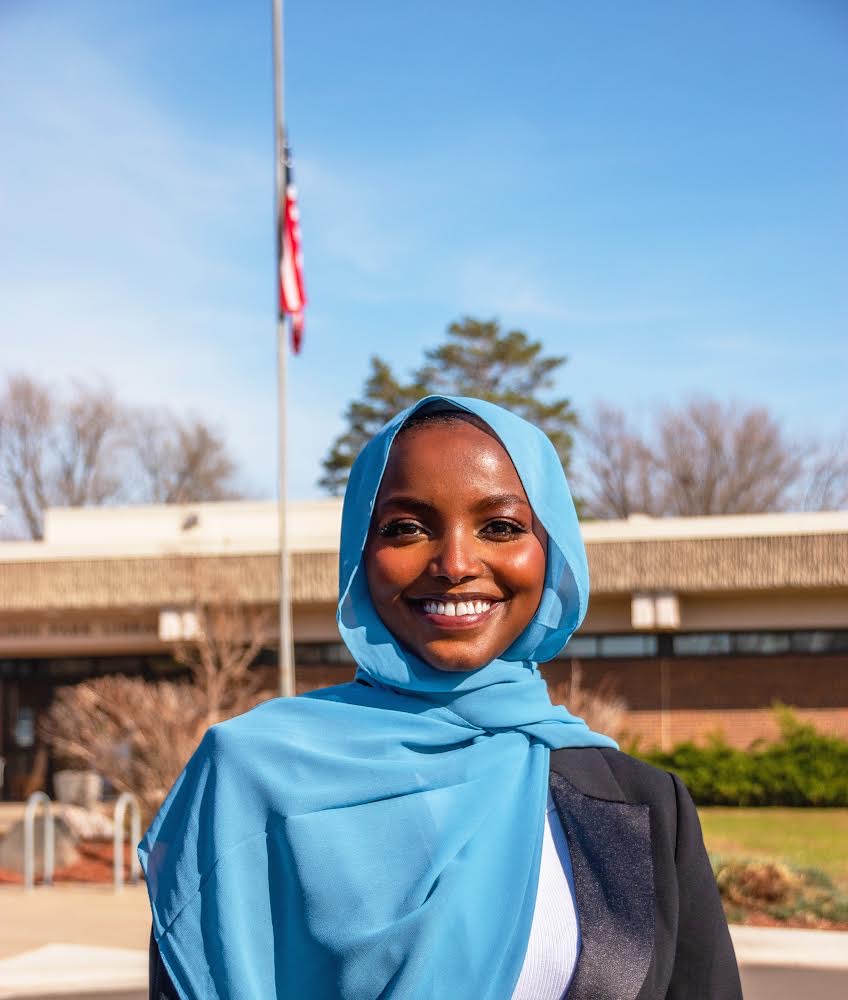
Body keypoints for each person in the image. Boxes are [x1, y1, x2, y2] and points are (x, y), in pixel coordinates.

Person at [142, 395, 741, 999]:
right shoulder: (248, 777)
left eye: (501, 526)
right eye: (407, 527)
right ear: (360, 552)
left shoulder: (643, 804)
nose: (455, 563)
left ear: (550, 549)